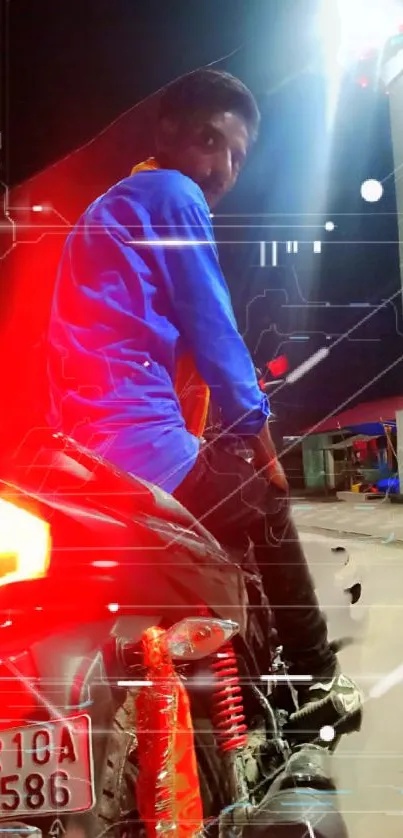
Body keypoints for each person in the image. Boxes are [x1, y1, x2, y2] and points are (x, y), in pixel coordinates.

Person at [47, 68, 363, 733]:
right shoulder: (173, 193)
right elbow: (215, 332)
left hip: (86, 464)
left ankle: (240, 694)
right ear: (166, 134)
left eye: (236, 156)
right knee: (262, 499)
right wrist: (261, 444)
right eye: (208, 141)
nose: (220, 167)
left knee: (219, 540)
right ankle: (311, 678)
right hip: (141, 449)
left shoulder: (105, 212)